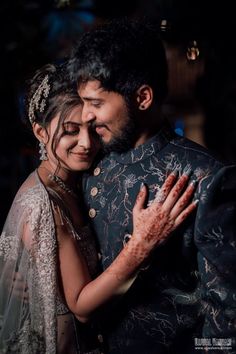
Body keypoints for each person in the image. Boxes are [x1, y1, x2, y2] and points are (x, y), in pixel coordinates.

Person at [0, 63, 197, 354]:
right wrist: (141, 245)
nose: (86, 143)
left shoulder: (76, 179)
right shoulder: (41, 204)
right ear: (41, 132)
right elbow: (81, 306)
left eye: (92, 128)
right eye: (70, 131)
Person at [68, 18, 236, 353]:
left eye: (97, 103)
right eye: (83, 102)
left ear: (143, 97)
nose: (86, 116)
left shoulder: (205, 177)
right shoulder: (91, 163)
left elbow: (227, 319)